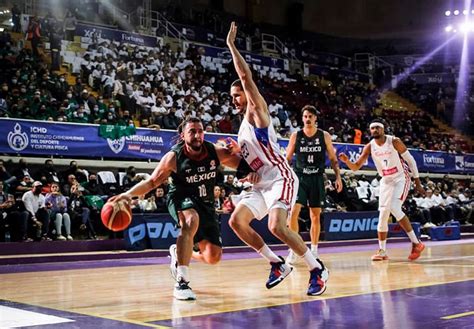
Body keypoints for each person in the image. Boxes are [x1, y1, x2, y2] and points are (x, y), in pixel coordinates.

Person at [225, 22, 329, 296]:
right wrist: (243, 171)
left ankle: (317, 268)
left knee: (276, 226)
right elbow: (248, 163)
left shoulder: (257, 114)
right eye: (233, 96)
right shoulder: (241, 129)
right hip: (260, 184)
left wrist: (232, 47)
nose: (235, 99)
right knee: (236, 222)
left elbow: (247, 80)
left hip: (281, 177)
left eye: (238, 95)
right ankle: (277, 263)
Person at [113, 117, 257, 300]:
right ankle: (181, 281)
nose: (197, 135)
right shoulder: (174, 157)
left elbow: (244, 166)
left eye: (200, 131)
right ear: (183, 135)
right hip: (180, 198)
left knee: (213, 257)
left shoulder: (214, 152)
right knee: (190, 220)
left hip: (206, 204)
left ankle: (178, 252)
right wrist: (128, 194)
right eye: (192, 132)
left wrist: (243, 158)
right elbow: (151, 182)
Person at [338, 119, 426, 261]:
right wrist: (347, 161)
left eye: (378, 127)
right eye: (372, 128)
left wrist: (417, 182)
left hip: (401, 178)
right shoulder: (369, 146)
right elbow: (355, 167)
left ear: (383, 129)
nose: (375, 130)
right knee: (383, 214)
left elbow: (411, 161)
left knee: (394, 207)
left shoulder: (394, 141)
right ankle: (382, 251)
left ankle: (417, 243)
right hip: (386, 180)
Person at [285, 105, 343, 265]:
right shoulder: (296, 136)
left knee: (315, 215)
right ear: (302, 118)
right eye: (305, 116)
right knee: (293, 213)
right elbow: (287, 158)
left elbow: (333, 158)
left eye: (310, 116)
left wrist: (338, 176)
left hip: (317, 178)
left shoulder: (324, 136)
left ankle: (315, 250)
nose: (308, 119)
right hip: (300, 178)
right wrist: (283, 177)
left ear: (315, 118)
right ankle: (293, 249)